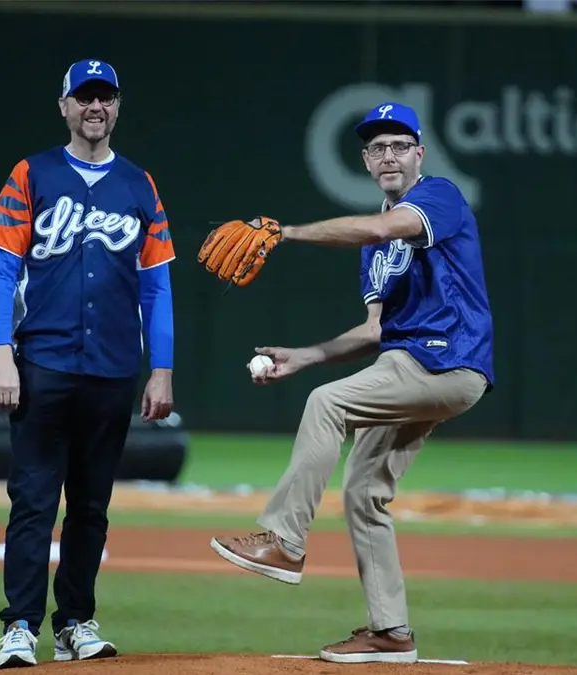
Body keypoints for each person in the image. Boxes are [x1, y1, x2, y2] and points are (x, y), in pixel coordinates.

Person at [208, 102, 495, 664]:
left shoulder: (438, 196)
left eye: (398, 145)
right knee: (365, 492)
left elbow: (386, 224)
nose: (388, 155)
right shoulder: (373, 252)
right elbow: (374, 329)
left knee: (326, 403)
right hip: (409, 363)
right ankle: (391, 633)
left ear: (419, 153)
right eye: (376, 148)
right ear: (365, 160)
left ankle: (283, 541)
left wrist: (284, 232)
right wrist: (306, 354)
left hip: (444, 360)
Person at [0, 58, 176, 669]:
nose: (96, 107)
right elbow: (2, 270)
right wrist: (0, 355)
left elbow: (157, 286)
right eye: (84, 97)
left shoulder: (139, 185)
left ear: (117, 107)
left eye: (106, 98)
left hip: (114, 369)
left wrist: (162, 368)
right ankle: (19, 627)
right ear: (64, 105)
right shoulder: (31, 173)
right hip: (43, 361)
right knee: (34, 500)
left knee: (92, 506)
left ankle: (74, 623)